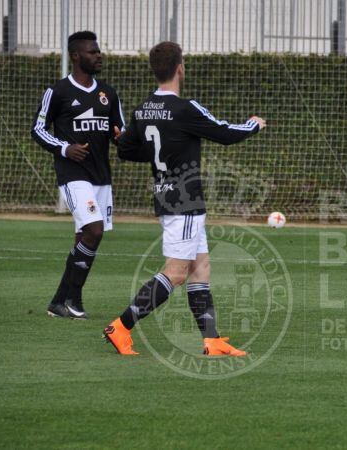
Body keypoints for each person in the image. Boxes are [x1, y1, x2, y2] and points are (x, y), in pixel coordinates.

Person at [103, 41, 266, 356]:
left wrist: (122, 137)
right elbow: (225, 133)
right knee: (177, 271)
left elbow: (125, 149)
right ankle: (121, 326)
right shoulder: (185, 108)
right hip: (185, 202)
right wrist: (253, 125)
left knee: (199, 268)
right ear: (180, 68)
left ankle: (212, 340)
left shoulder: (142, 110)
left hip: (166, 197)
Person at [31, 31, 124, 320]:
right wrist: (64, 148)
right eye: (92, 51)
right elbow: (38, 129)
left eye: (99, 51)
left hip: (101, 176)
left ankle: (63, 302)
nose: (99, 56)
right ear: (75, 56)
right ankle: (71, 300)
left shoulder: (108, 93)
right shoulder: (57, 92)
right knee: (93, 230)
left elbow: (119, 131)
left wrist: (126, 139)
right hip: (73, 174)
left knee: (86, 237)